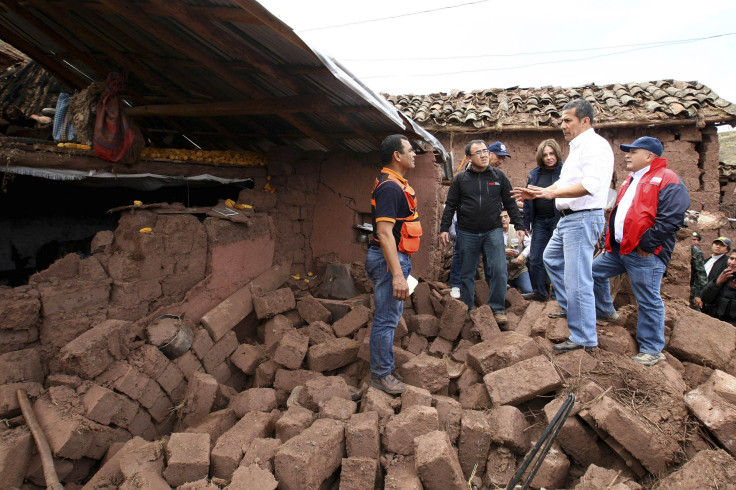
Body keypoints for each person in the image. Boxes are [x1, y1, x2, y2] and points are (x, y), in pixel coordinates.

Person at [512, 99, 614, 351]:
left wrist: (550, 195)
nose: (563, 125)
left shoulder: (594, 146)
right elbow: (563, 183)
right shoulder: (577, 149)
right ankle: (571, 309)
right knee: (551, 258)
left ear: (585, 121)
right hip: (569, 220)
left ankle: (584, 337)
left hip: (582, 218)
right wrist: (540, 192)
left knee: (578, 278)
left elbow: (590, 186)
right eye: (562, 120)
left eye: (568, 120)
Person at [592, 137, 690, 365]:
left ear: (649, 156)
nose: (627, 155)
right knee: (591, 272)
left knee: (647, 299)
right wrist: (608, 245)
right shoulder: (630, 180)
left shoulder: (668, 178)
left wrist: (648, 244)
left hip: (644, 253)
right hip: (619, 250)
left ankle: (652, 349)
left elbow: (673, 217)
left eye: (633, 151)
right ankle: (606, 311)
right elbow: (620, 214)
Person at [440, 140, 524, 325]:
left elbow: (510, 203)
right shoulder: (461, 179)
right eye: (478, 152)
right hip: (467, 232)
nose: (484, 155)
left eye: (485, 151)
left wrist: (519, 225)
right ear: (469, 158)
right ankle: (468, 309)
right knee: (467, 272)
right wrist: (444, 228)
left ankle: (497, 309)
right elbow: (451, 205)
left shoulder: (499, 177)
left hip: (492, 230)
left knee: (499, 269)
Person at [365, 134, 421, 395]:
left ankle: (384, 368)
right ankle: (381, 375)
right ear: (397, 156)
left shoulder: (396, 183)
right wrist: (398, 275)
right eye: (410, 150)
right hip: (390, 262)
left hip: (395, 260)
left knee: (390, 316)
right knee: (386, 319)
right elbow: (385, 233)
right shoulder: (390, 187)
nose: (414, 154)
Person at [522, 139, 563, 302]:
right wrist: (526, 222)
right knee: (535, 258)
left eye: (552, 154)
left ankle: (556, 295)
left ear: (557, 154)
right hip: (539, 221)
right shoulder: (534, 174)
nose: (549, 157)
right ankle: (539, 292)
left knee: (557, 258)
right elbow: (527, 198)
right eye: (545, 155)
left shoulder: (564, 172)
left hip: (558, 220)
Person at [700, 249, 736, 326]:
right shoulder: (724, 274)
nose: (732, 263)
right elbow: (705, 298)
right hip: (713, 323)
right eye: (731, 258)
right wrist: (717, 283)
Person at [501, 209, 532, 294]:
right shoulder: (494, 233)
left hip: (519, 270)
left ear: (510, 218)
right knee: (507, 295)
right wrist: (503, 252)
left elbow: (532, 244)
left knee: (528, 291)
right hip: (504, 272)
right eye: (501, 217)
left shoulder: (518, 230)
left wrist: (523, 255)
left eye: (505, 217)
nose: (503, 219)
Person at [703, 236, 733, 317]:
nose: (718, 246)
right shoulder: (706, 260)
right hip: (703, 296)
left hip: (714, 303)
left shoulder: (727, 263)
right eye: (716, 244)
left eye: (722, 245)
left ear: (727, 249)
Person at [690, 231, 707, 310]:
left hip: (691, 289)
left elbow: (701, 276)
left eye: (697, 240)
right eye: (693, 239)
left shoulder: (696, 252)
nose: (696, 242)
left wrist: (698, 294)